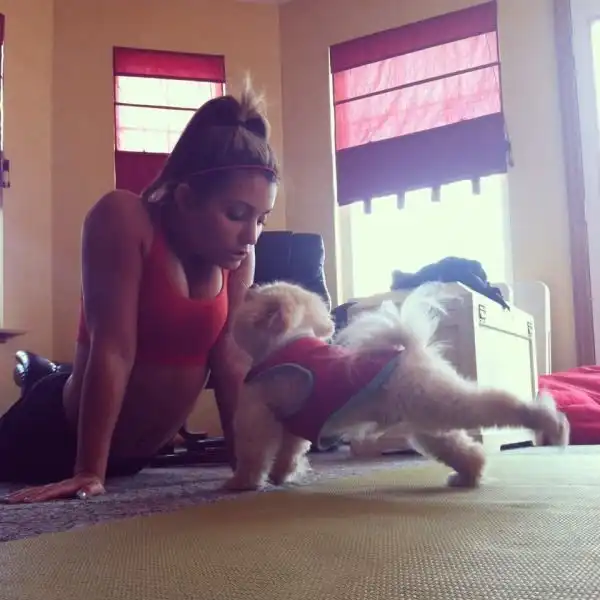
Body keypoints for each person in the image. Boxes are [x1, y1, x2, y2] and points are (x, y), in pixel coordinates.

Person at [0, 83, 279, 503]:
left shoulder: (239, 258)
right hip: (53, 434)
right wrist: (88, 471)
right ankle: (45, 376)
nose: (251, 236)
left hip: (134, 460)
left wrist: (247, 468)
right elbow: (113, 348)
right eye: (237, 214)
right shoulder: (125, 218)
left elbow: (230, 362)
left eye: (261, 219)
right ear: (185, 199)